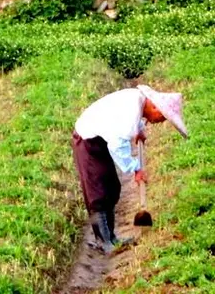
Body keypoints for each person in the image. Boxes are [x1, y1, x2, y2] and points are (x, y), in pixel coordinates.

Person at [72, 84, 188, 255]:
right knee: (97, 193)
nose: (159, 122)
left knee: (111, 188)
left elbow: (128, 122)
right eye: (161, 118)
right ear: (155, 107)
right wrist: (135, 168)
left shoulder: (138, 101)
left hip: (101, 139)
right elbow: (117, 146)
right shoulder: (132, 110)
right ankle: (103, 241)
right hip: (88, 140)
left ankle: (111, 237)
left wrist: (140, 130)